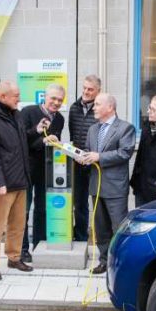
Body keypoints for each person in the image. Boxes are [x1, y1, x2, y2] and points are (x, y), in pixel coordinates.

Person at [0, 81, 49, 280]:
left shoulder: (15, 114)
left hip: (21, 179)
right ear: (3, 97)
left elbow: (21, 140)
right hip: (3, 183)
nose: (19, 98)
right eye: (16, 95)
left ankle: (14, 257)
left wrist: (36, 130)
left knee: (18, 223)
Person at [79, 93, 135, 274]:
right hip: (96, 186)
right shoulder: (93, 129)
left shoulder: (125, 128)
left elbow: (125, 152)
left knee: (118, 228)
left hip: (115, 188)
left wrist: (99, 157)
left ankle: (121, 263)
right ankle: (104, 261)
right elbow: (89, 150)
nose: (93, 107)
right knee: (100, 228)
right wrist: (84, 157)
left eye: (97, 104)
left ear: (110, 107)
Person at [20, 84, 65, 262]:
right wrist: (41, 139)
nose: (56, 102)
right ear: (44, 97)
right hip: (26, 170)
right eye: (53, 98)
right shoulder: (28, 112)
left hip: (47, 170)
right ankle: (22, 248)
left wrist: (57, 143)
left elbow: (53, 145)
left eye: (60, 100)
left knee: (42, 209)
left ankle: (38, 243)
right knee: (23, 211)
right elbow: (20, 139)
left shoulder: (60, 119)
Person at [68, 75, 101, 242]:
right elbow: (74, 134)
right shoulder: (74, 108)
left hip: (96, 164)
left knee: (98, 202)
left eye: (90, 89)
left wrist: (93, 156)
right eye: (85, 88)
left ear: (98, 91)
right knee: (79, 203)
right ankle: (81, 236)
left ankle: (100, 237)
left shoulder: (102, 108)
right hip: (78, 163)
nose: (86, 92)